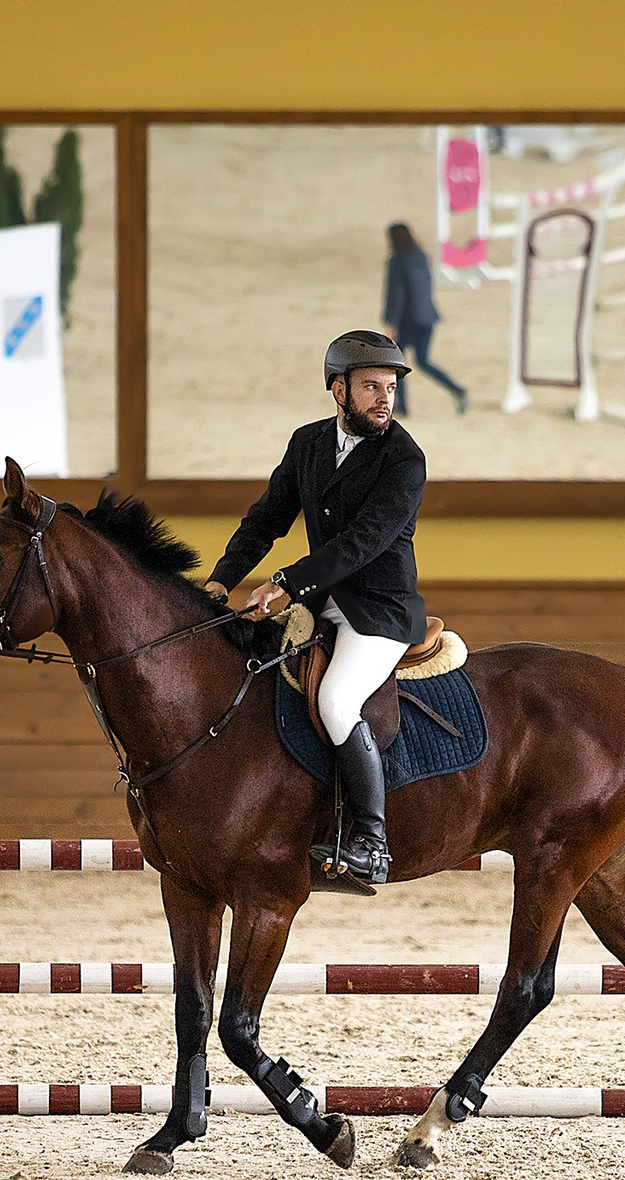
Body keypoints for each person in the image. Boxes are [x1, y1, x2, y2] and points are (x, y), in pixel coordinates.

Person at [205, 329, 428, 887]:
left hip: (378, 612)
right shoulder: (307, 443)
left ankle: (371, 842)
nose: (385, 398)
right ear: (338, 389)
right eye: (371, 386)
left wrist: (285, 582)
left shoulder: (404, 458)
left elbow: (362, 543)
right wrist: (220, 581)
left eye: (391, 387)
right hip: (321, 600)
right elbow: (265, 520)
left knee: (335, 700)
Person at [382, 223, 466, 418]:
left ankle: (402, 406)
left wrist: (391, 322)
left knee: (397, 363)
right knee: (422, 361)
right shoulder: (420, 256)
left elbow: (396, 294)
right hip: (427, 317)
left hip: (407, 320)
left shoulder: (397, 261)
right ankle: (456, 389)